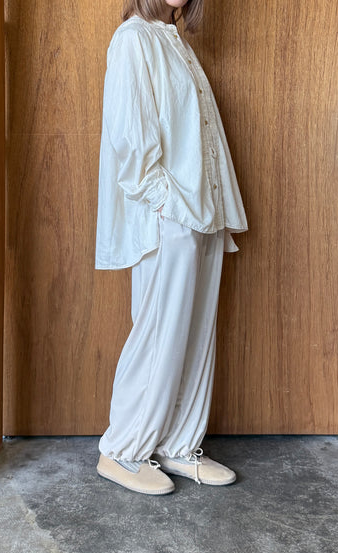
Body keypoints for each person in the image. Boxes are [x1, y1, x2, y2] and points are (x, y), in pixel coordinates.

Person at [94, 0, 248, 495]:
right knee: (159, 332)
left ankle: (178, 444)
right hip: (170, 215)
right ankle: (123, 448)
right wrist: (170, 205)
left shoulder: (174, 39)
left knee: (194, 332)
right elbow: (130, 139)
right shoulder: (133, 39)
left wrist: (203, 206)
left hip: (202, 210)